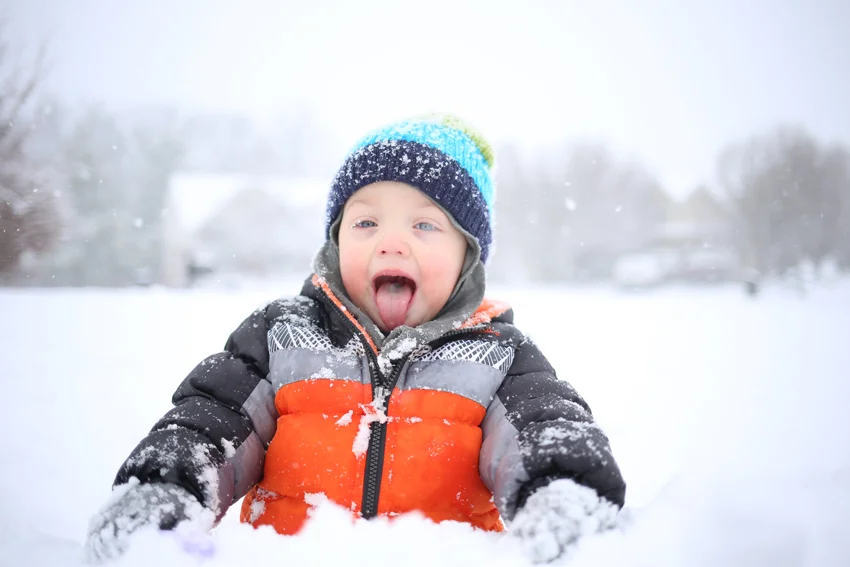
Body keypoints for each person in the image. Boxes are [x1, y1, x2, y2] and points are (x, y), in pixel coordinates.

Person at [86, 115, 626, 563]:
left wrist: (565, 493)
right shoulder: (283, 335)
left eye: (424, 226)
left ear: (468, 256)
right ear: (336, 239)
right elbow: (210, 422)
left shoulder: (497, 356)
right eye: (366, 224)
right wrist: (166, 490)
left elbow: (546, 429)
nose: (390, 244)